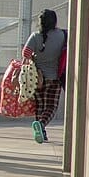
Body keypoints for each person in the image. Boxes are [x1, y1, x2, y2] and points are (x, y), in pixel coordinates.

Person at [22, 8, 66, 144]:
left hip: (37, 78)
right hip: (54, 77)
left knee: (39, 106)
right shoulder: (63, 35)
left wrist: (36, 57)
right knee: (51, 107)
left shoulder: (35, 36)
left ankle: (42, 132)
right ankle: (41, 125)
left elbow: (26, 54)